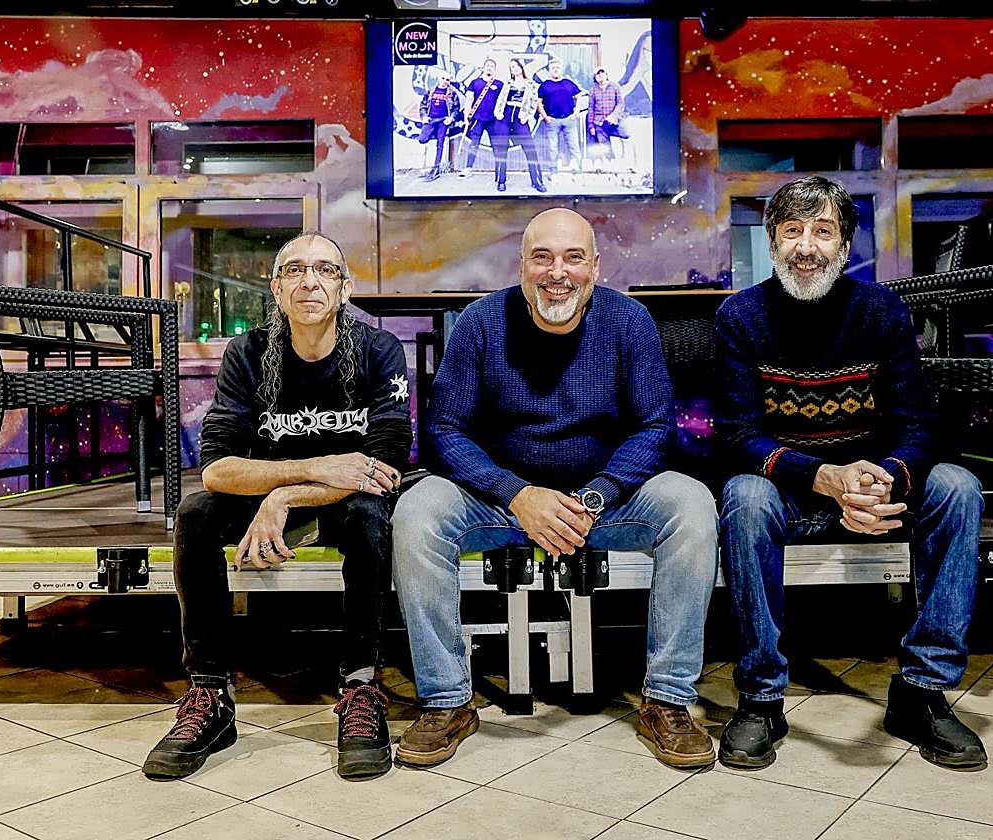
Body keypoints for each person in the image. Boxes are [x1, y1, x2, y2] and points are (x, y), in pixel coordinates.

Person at [391, 207, 719, 770]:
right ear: (521, 265)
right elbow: (444, 429)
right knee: (416, 511)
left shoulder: (629, 321)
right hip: (501, 498)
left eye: (572, 257)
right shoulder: (480, 323)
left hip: (604, 500)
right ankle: (447, 700)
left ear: (595, 265)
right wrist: (519, 495)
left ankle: (667, 700)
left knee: (691, 504)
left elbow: (655, 427)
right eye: (541, 257)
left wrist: (594, 497)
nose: (557, 272)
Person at [714, 175, 988, 772]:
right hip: (793, 492)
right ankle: (761, 697)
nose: (805, 245)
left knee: (958, 486)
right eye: (791, 230)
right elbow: (737, 436)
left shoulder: (881, 311)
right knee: (744, 494)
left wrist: (883, 478)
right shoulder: (740, 316)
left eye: (822, 231)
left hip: (873, 487)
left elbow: (920, 425)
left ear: (844, 246)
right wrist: (825, 478)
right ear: (771, 240)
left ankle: (922, 692)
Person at [142, 233, 413, 781]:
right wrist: (297, 476)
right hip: (275, 493)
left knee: (368, 517)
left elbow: (382, 469)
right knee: (195, 514)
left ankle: (361, 685)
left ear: (344, 287)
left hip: (340, 500)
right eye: (294, 271)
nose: (309, 281)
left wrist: (284, 496)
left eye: (324, 271)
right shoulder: (248, 354)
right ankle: (210, 694)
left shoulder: (379, 351)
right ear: (276, 287)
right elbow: (216, 469)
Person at [493, 57, 546, 193]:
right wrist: (498, 113)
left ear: (521, 67)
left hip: (520, 117)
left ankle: (536, 181)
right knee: (501, 148)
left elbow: (534, 102)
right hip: (505, 116)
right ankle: (501, 181)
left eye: (516, 66)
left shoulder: (531, 84)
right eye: (512, 67)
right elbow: (500, 100)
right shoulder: (508, 84)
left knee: (530, 149)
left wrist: (527, 116)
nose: (514, 69)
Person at [460, 58, 505, 187]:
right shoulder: (475, 83)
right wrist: (466, 117)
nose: (489, 68)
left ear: (495, 69)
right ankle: (468, 168)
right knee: (474, 144)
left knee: (496, 145)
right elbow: (469, 99)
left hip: (493, 120)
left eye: (492, 66)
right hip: (477, 119)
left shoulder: (500, 84)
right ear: (484, 67)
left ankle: (499, 170)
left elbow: (502, 102)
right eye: (488, 66)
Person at [536, 59, 583, 176]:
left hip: (569, 120)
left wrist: (576, 112)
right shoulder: (545, 85)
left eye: (557, 67)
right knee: (553, 148)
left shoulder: (568, 83)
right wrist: (545, 117)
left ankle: (577, 170)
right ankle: (553, 171)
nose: (555, 69)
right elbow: (538, 103)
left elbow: (578, 97)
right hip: (552, 121)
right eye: (553, 68)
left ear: (560, 69)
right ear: (549, 71)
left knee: (574, 146)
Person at [418, 71, 463, 182]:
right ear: (439, 79)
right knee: (422, 139)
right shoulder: (431, 91)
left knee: (440, 144)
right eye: (443, 78)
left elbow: (456, 108)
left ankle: (435, 169)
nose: (445, 81)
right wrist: (424, 117)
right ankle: (428, 168)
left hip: (443, 121)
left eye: (447, 79)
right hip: (431, 120)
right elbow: (423, 105)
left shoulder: (452, 93)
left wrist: (451, 118)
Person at [586, 67, 628, 169]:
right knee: (605, 145)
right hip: (599, 122)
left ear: (606, 74)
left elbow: (620, 103)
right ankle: (612, 165)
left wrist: (613, 116)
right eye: (597, 74)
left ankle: (627, 161)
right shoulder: (593, 90)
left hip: (615, 120)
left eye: (602, 73)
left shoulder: (615, 86)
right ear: (595, 78)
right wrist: (591, 125)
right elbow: (591, 109)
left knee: (627, 136)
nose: (600, 76)